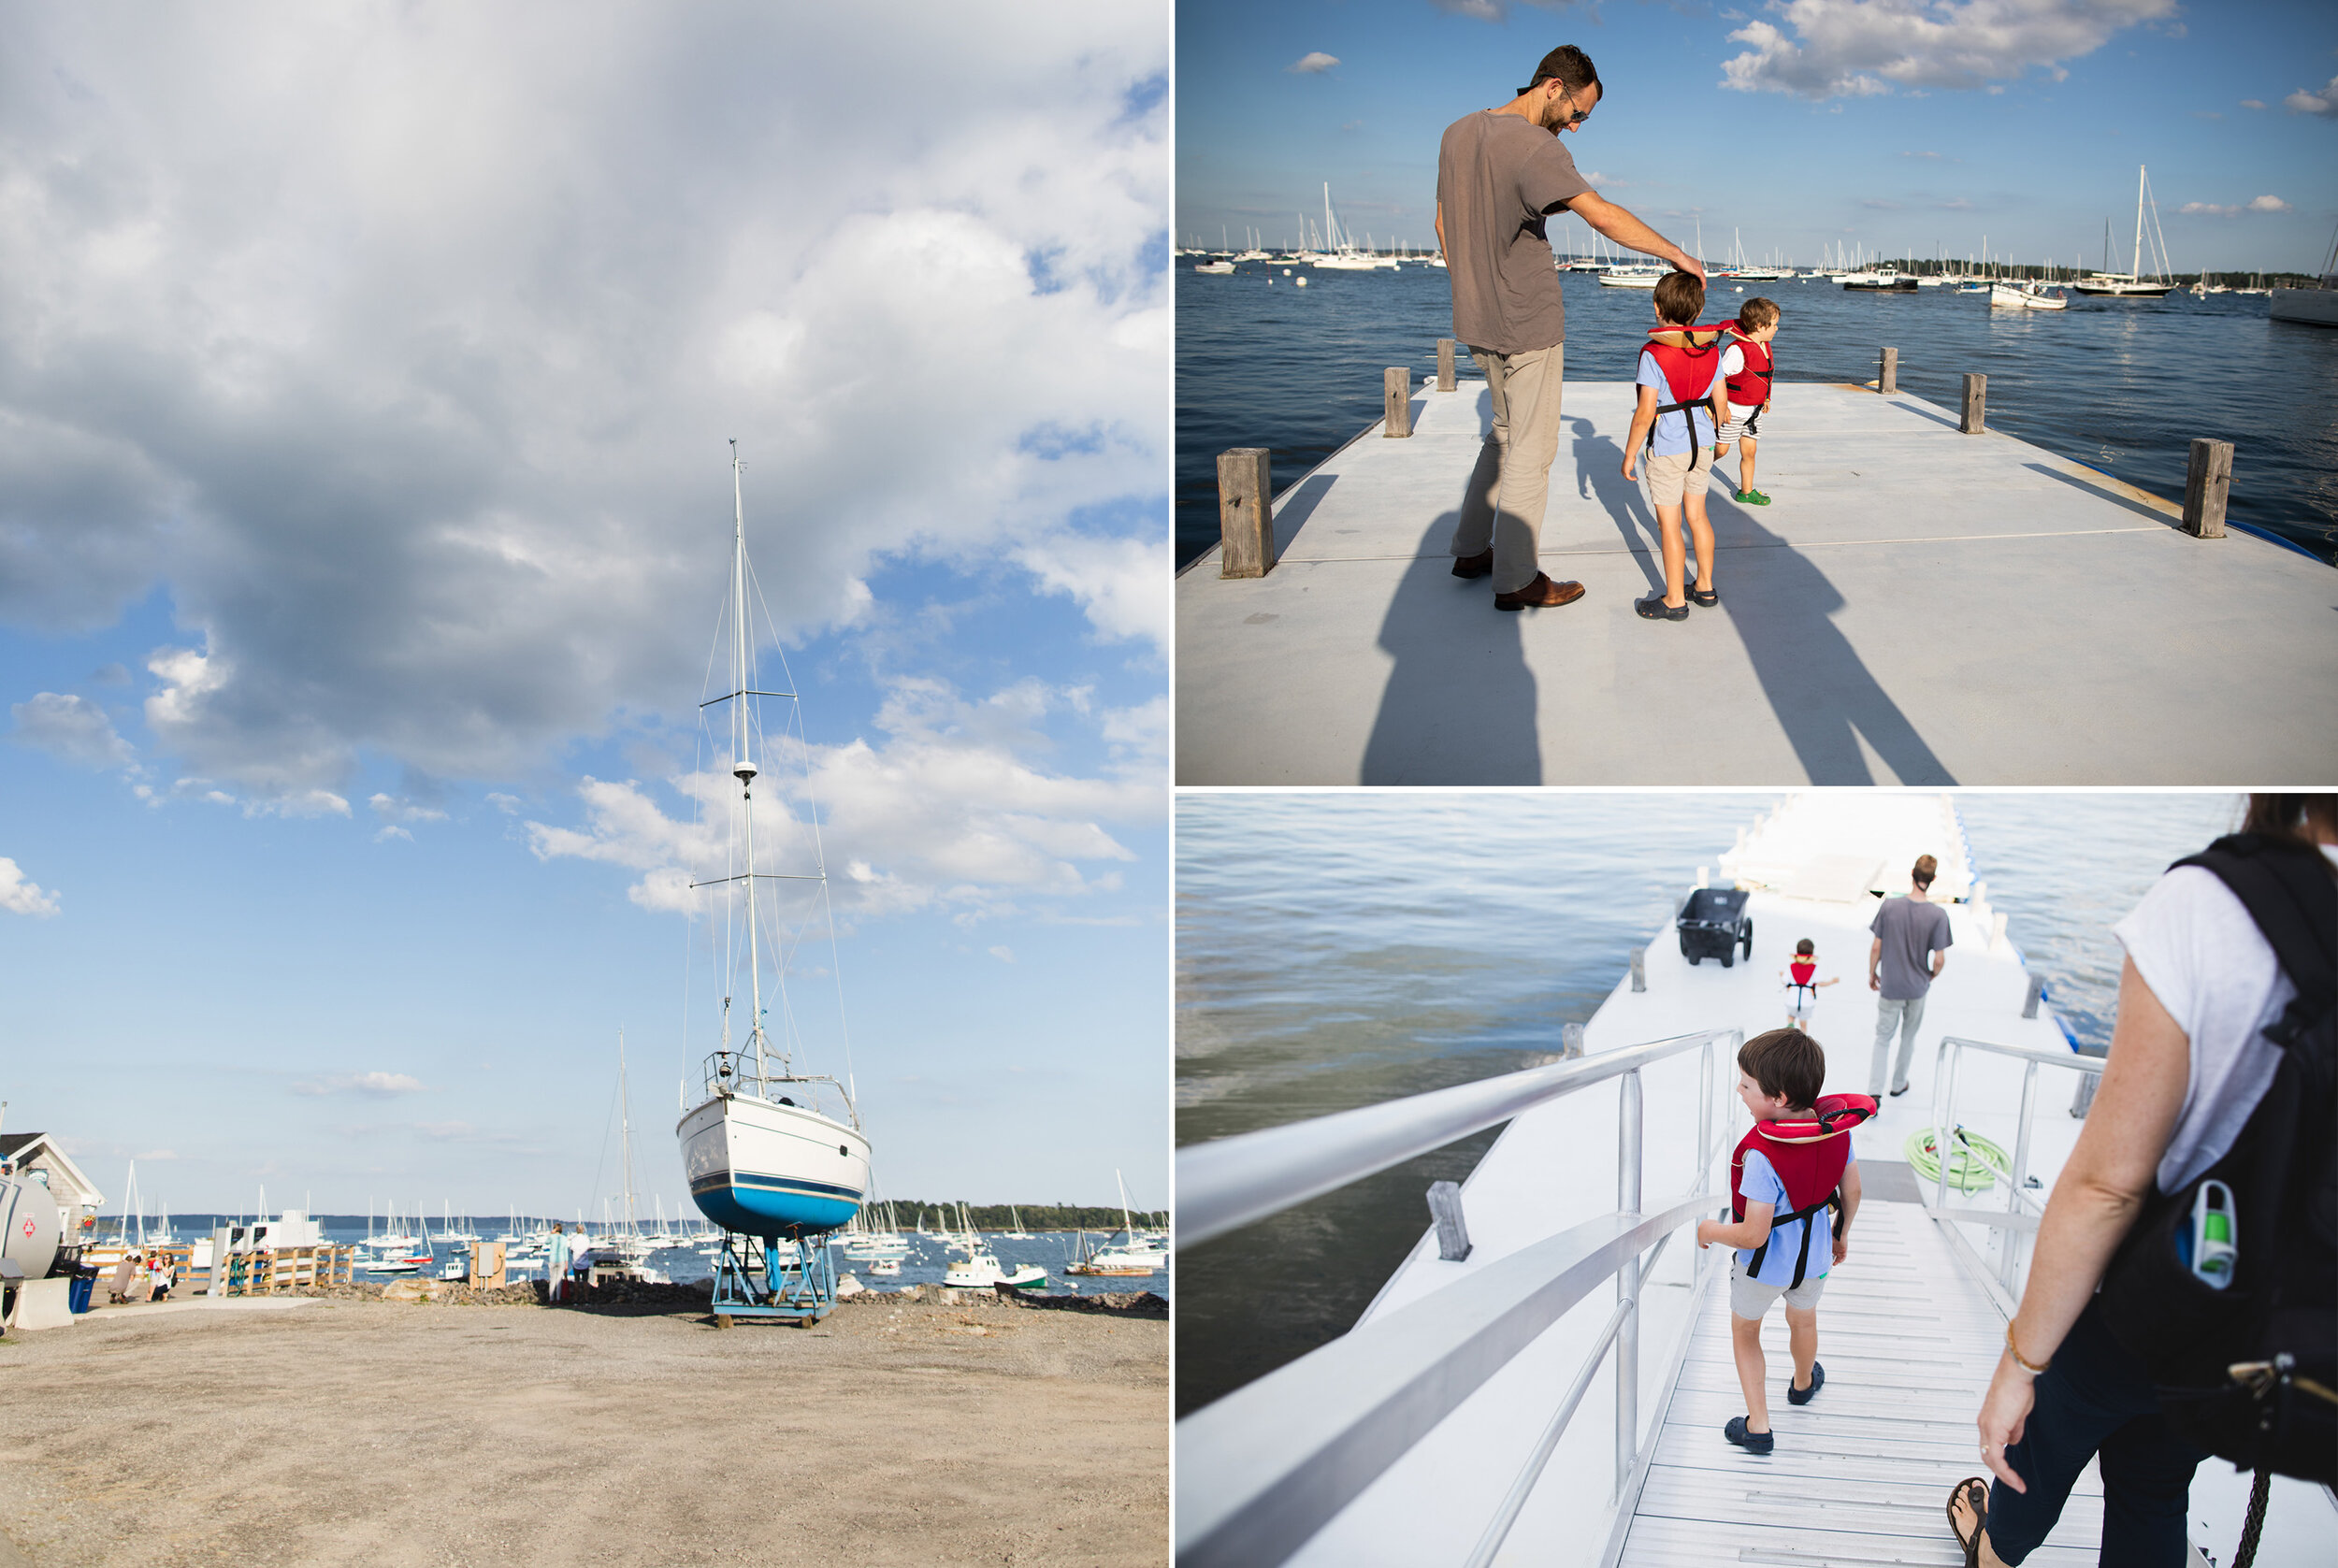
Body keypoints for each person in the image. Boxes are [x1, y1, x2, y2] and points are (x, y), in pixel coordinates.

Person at [1947, 795, 2337, 1568]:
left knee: (2037, 1452)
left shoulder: (2217, 902)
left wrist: (2018, 1368)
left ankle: (1993, 1547)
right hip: (2275, 1317)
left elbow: (2108, 1187)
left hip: (2160, 1292)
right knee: (2156, 1487)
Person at [1434, 45, 1704, 611]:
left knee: (1504, 434)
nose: (1577, 128)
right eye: (1578, 113)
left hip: (1476, 318)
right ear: (1553, 87)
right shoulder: (1536, 146)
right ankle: (1515, 578)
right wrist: (1676, 254)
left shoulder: (1457, 133)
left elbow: (1444, 221)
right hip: (1527, 320)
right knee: (1532, 451)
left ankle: (1469, 550)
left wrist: (1472, 285)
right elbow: (1601, 213)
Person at [1695, 1029, 1865, 1453]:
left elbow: (1753, 1233)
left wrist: (1710, 1231)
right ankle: (1804, 1384)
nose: (1739, 1088)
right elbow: (1854, 1192)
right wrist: (1840, 1236)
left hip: (1763, 1268)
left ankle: (1758, 1424)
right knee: (1804, 1319)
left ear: (1780, 1099)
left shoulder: (1761, 1154)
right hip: (1815, 1258)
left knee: (1746, 1332)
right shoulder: (1836, 1133)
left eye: (1747, 1085)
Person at [1621, 270, 1729, 621]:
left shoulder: (1654, 355)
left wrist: (1629, 453)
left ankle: (1673, 600)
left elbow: (1645, 412)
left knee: (1670, 523)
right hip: (1703, 446)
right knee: (1698, 516)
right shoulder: (1712, 352)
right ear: (1698, 313)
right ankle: (1705, 586)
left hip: (1669, 447)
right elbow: (1723, 408)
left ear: (1657, 307)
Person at [1870, 854, 1951, 1097]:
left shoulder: (1890, 906)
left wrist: (1872, 972)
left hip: (1891, 985)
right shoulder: (1938, 915)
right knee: (1908, 1038)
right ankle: (1898, 1084)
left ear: (1912, 875)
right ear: (1933, 879)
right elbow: (1939, 959)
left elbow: (1876, 947)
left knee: (1883, 1038)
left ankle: (1875, 1092)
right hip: (1917, 987)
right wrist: (1931, 976)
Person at [1712, 297, 1780, 505]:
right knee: (1721, 450)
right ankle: (1692, 466)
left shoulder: (1764, 346)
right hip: (1732, 411)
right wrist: (1720, 408)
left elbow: (1764, 376)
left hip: (1753, 413)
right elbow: (1716, 378)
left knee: (1749, 452)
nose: (1777, 329)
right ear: (1760, 326)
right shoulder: (1737, 351)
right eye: (1774, 324)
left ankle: (1747, 491)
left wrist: (1766, 397)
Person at [1782, 937, 1839, 1028]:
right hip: (1806, 1002)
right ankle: (1803, 1037)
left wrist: (1782, 975)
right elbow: (1821, 983)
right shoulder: (1814, 968)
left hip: (1792, 1000)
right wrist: (1832, 981)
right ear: (1812, 953)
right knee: (1803, 1024)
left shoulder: (1791, 967)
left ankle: (1790, 1024)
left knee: (1790, 1015)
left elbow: (1784, 981)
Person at [545, 1223, 569, 1305]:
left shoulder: (552, 1237)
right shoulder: (564, 1238)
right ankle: (558, 1299)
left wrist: (551, 1233)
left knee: (552, 1280)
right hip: (561, 1260)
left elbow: (546, 1241)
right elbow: (566, 1251)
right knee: (559, 1281)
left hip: (553, 1260)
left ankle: (551, 1299)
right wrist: (566, 1263)